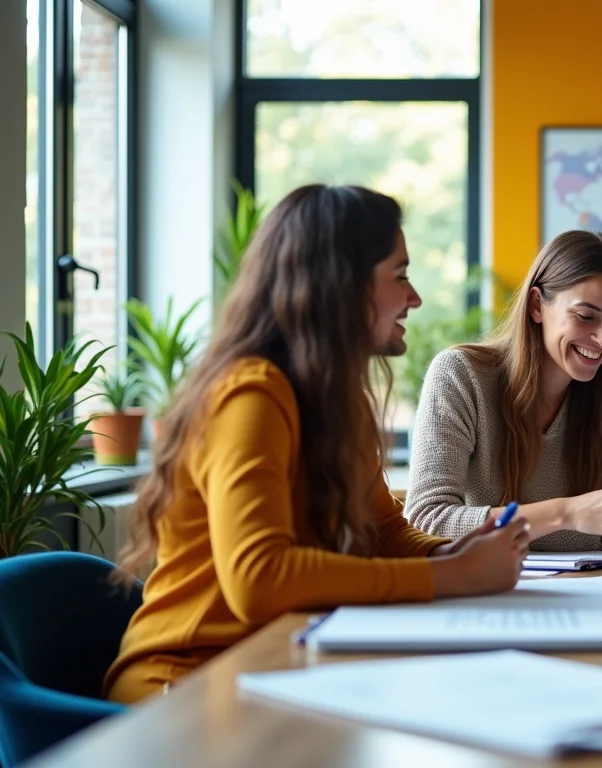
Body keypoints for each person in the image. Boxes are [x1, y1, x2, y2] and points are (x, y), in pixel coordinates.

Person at [105, 185, 530, 704]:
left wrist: (454, 550)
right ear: (342, 286)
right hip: (186, 682)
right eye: (399, 275)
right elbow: (258, 579)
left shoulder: (337, 399)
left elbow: (382, 531)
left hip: (281, 661)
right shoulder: (251, 395)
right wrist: (447, 575)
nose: (415, 298)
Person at [403, 230, 602, 551]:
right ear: (536, 306)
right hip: (491, 584)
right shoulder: (461, 375)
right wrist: (565, 513)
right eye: (586, 317)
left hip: (594, 582)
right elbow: (425, 519)